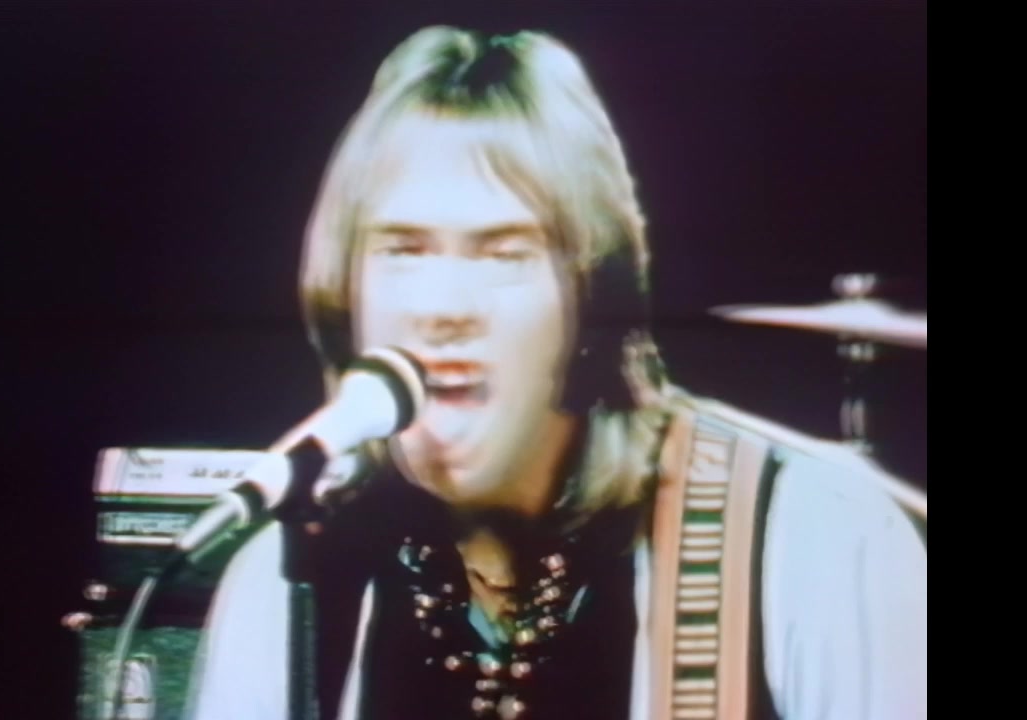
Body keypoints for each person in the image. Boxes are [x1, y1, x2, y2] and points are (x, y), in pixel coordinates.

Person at [183, 26, 927, 720]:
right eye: (403, 249)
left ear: (589, 302)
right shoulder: (286, 588)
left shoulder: (817, 544)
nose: (443, 308)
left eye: (504, 252)